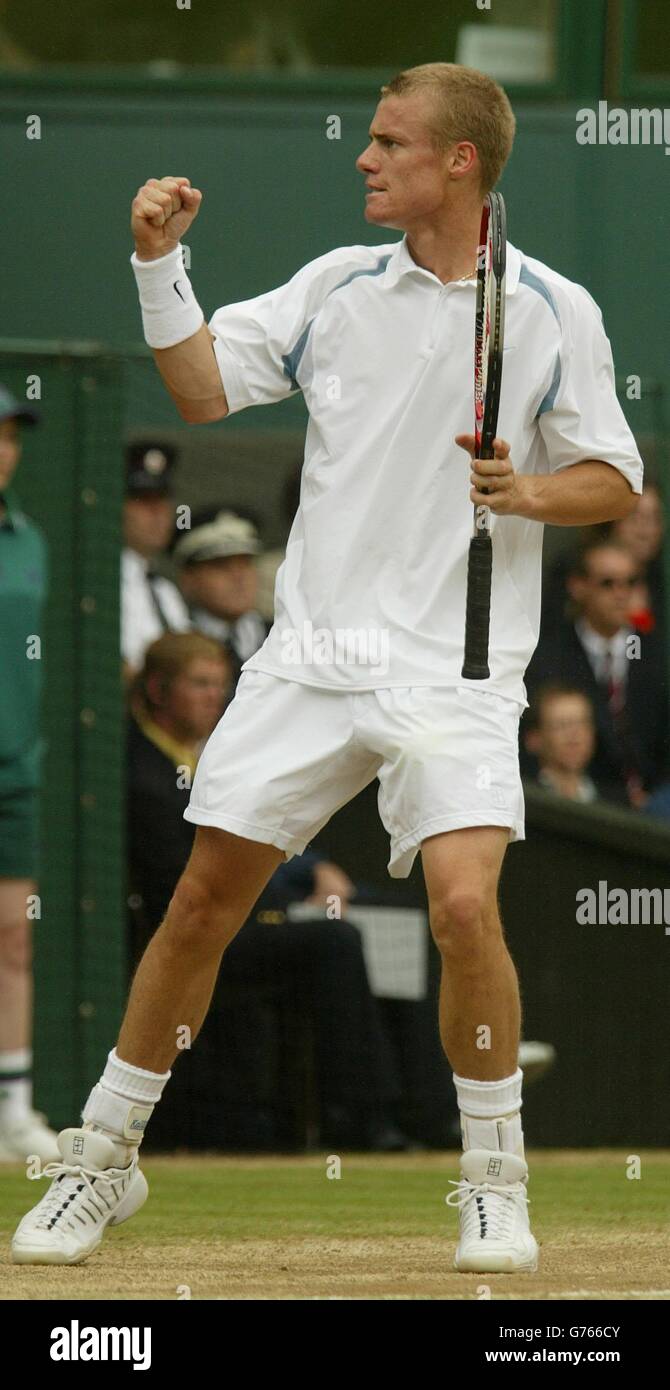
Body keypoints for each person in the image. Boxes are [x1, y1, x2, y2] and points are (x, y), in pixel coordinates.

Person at [13, 62, 642, 1274]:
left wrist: (525, 489)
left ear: (458, 161)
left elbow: (611, 477)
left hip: (456, 670)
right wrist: (157, 264)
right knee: (201, 905)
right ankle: (104, 1153)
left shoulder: (554, 310)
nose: (364, 157)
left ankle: (493, 1177)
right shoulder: (334, 286)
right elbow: (201, 388)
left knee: (465, 906)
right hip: (308, 658)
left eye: (389, 141)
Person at [126, 632, 402, 1151]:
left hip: (258, 909)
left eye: (219, 684)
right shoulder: (144, 773)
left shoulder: (217, 752)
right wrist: (289, 897)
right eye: (199, 684)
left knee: (397, 922)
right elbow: (185, 883)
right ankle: (359, 1119)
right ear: (159, 691)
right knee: (336, 942)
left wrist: (311, 873)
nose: (214, 697)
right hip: (208, 931)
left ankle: (432, 1101)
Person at [0, 385, 58, 1163]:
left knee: (13, 940)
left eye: (12, 438)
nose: (4, 452)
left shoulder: (30, 542)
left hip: (14, 775)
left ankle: (13, 1111)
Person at [525, 539, 667, 807]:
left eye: (630, 582)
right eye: (608, 583)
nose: (621, 594)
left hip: (655, 800)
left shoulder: (648, 649)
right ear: (578, 586)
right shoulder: (549, 655)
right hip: (586, 804)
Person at [174, 508, 269, 691]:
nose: (238, 577)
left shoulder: (281, 635)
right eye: (221, 566)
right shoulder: (176, 639)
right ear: (188, 579)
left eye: (245, 563)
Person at [121, 441, 190, 675]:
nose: (157, 512)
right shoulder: (104, 586)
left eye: (163, 499)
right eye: (144, 500)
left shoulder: (166, 592)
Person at [523, 683, 599, 803]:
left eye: (582, 723)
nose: (574, 735)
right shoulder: (523, 798)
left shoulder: (617, 803)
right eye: (561, 725)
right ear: (534, 738)